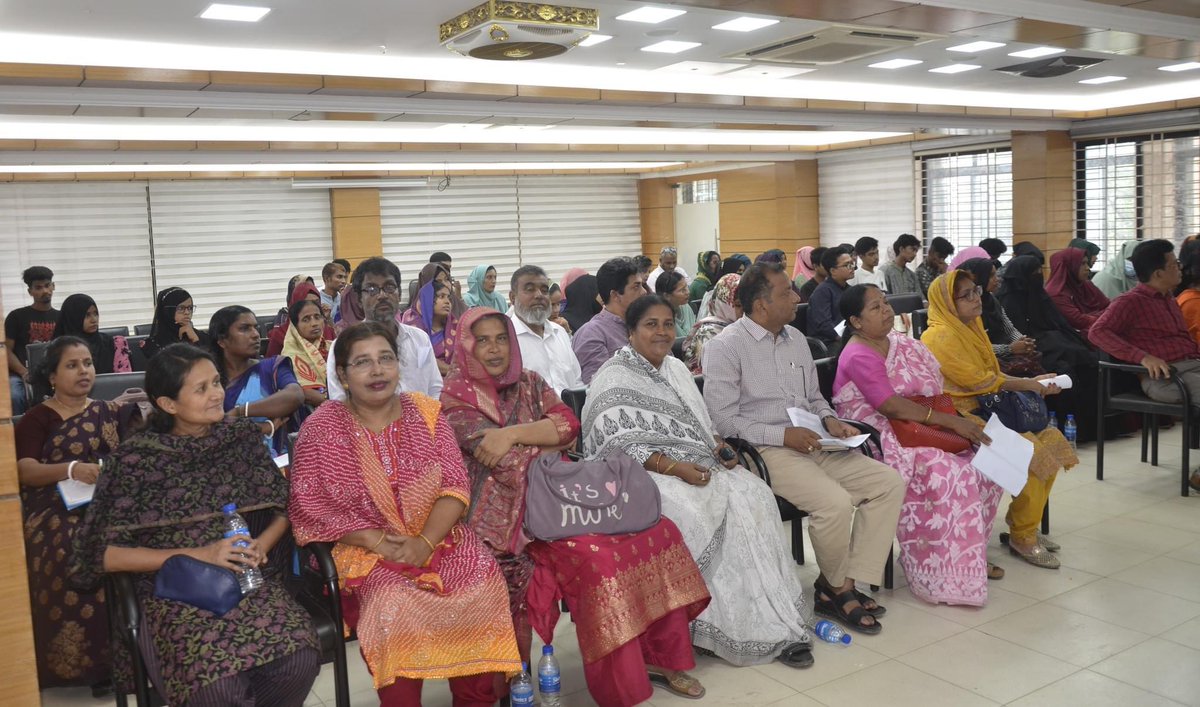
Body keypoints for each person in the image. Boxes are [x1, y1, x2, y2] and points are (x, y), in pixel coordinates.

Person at [440, 310, 711, 704]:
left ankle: (661, 658)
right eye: (483, 340)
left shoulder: (530, 382)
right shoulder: (455, 398)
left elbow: (568, 425)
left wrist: (513, 434)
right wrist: (544, 442)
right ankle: (622, 682)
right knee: (601, 562)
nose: (495, 348)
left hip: (563, 500)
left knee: (660, 531)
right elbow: (493, 456)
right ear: (466, 346)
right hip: (508, 518)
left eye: (501, 338)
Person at [71, 343, 321, 706]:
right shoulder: (135, 460)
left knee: (298, 659)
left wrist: (262, 544)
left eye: (217, 382)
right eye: (201, 388)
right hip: (174, 594)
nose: (218, 394)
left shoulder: (241, 440)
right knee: (218, 689)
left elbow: (285, 507)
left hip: (247, 581)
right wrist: (200, 554)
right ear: (168, 404)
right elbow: (101, 555)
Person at [290, 322, 520, 705]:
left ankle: (475, 700)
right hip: (365, 550)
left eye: (386, 359)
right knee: (393, 603)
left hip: (440, 536)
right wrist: (375, 539)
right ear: (343, 375)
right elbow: (309, 506)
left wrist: (423, 542)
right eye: (362, 362)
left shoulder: (427, 414)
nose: (377, 370)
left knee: (481, 580)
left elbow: (454, 486)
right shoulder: (322, 428)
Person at [583, 295, 814, 669]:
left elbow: (702, 424)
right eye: (651, 324)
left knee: (753, 495)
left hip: (697, 463)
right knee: (696, 509)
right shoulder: (612, 376)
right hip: (641, 478)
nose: (661, 332)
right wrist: (676, 468)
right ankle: (710, 622)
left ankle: (766, 610)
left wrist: (721, 448)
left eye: (668, 324)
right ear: (631, 332)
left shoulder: (675, 368)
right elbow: (614, 444)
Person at [703, 263, 905, 634]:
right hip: (765, 450)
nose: (798, 297)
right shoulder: (725, 347)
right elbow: (724, 421)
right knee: (834, 503)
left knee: (888, 483)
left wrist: (830, 420)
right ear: (761, 305)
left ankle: (840, 582)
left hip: (815, 441)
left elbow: (814, 398)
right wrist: (782, 437)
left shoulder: (796, 338)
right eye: (787, 293)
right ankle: (839, 588)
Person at [831, 286, 1004, 605]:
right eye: (875, 307)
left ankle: (966, 557)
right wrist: (950, 422)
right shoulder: (858, 352)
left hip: (917, 423)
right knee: (949, 474)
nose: (886, 310)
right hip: (877, 433)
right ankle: (936, 570)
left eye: (885, 303)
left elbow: (925, 391)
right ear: (856, 321)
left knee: (982, 465)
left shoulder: (899, 343)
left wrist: (944, 419)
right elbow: (890, 406)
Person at [922, 270, 1077, 569]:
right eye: (965, 295)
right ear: (946, 302)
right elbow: (981, 382)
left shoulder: (971, 325)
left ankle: (1023, 526)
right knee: (1029, 454)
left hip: (990, 406)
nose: (975, 299)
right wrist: (1031, 385)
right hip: (962, 415)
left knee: (1053, 443)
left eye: (976, 291)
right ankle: (1023, 535)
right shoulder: (939, 335)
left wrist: (1034, 380)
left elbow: (992, 377)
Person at [16, 336, 140, 692]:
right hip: (55, 505)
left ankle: (139, 653)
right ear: (52, 376)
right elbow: (24, 470)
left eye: (87, 363)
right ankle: (94, 666)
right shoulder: (37, 419)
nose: (84, 371)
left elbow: (133, 458)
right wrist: (70, 469)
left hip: (110, 499)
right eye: (72, 365)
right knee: (72, 543)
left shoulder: (111, 412)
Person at [1090, 239, 1200, 407]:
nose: (1180, 268)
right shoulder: (1130, 301)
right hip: (1165, 377)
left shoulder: (1169, 298)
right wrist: (1143, 358)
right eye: (1174, 265)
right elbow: (1097, 332)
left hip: (1191, 365)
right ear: (1158, 273)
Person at [326, 257, 444, 401]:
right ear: (358, 299)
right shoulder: (342, 346)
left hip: (424, 419)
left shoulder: (419, 338)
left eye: (389, 287)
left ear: (399, 293)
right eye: (372, 289)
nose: (382, 296)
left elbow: (435, 388)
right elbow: (339, 401)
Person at [210, 305, 305, 457]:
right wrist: (263, 427)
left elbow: (295, 395)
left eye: (255, 327)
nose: (255, 334)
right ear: (222, 341)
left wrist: (239, 411)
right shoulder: (209, 380)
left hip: (274, 462)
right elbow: (208, 430)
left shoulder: (271, 367)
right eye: (245, 328)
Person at [956, 258, 1043, 377]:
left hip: (1003, 352)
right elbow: (974, 347)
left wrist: (1022, 341)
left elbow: (1008, 328)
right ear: (979, 278)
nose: (997, 279)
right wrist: (1009, 349)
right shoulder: (965, 309)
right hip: (984, 362)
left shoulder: (992, 299)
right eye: (991, 275)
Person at [507, 265, 582, 393]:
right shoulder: (506, 339)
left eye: (544, 290)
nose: (539, 295)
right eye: (530, 289)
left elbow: (576, 381)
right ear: (513, 297)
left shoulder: (560, 332)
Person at [573, 257, 645, 384]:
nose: (644, 292)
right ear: (615, 295)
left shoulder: (646, 325)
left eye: (642, 285)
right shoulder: (592, 333)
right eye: (636, 287)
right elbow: (600, 386)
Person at [6, 265, 58, 414]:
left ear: (53, 286)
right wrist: (24, 372)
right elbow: (6, 351)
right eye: (38, 287)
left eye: (47, 285)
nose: (45, 291)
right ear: (30, 291)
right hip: (21, 375)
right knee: (15, 397)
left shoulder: (61, 317)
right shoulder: (16, 316)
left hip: (52, 374)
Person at [52, 293, 131, 374]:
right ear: (73, 318)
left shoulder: (112, 344)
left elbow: (124, 380)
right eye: (87, 315)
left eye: (95, 313)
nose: (94, 320)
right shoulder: (59, 349)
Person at [683, 273, 740, 375]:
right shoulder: (709, 334)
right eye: (738, 305)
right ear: (724, 303)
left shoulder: (741, 327)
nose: (745, 309)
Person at [1046, 247, 1110, 336]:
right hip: (1073, 340)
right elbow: (1079, 321)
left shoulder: (1086, 285)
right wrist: (1105, 316)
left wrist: (1096, 316)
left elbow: (1110, 307)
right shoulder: (1056, 293)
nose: (1088, 268)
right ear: (1069, 266)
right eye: (1082, 264)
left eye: (1087, 263)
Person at [280, 297, 330, 411]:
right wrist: (338, 402)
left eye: (317, 317)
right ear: (295, 326)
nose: (314, 323)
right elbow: (306, 394)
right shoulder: (290, 355)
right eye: (306, 319)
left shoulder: (333, 347)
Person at [401, 279, 459, 376]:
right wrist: (454, 372)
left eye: (449, 298)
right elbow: (422, 360)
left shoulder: (454, 327)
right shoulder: (413, 325)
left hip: (454, 380)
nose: (447, 302)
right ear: (427, 299)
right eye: (441, 296)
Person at [266, 281, 335, 357]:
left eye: (316, 302)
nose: (314, 323)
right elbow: (272, 365)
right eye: (306, 302)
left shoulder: (327, 331)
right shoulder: (281, 335)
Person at [138, 286, 209, 361]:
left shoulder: (202, 337)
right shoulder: (152, 345)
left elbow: (212, 367)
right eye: (181, 308)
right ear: (167, 311)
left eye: (190, 308)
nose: (187, 312)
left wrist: (196, 341)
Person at [807, 246, 855, 348]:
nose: (852, 268)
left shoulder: (850, 290)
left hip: (848, 337)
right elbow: (824, 325)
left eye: (852, 264)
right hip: (828, 342)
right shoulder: (822, 291)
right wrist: (845, 339)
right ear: (833, 271)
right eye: (847, 265)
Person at [656, 270, 697, 338]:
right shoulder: (659, 317)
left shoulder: (685, 307)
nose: (688, 292)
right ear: (667, 296)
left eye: (686, 287)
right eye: (682, 290)